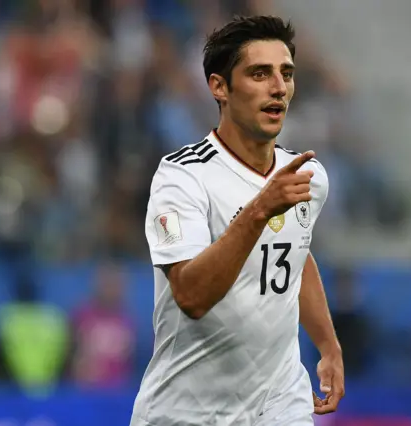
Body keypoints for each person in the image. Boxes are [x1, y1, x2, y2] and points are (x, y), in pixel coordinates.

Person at [130, 15, 344, 426]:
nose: (278, 87)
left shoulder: (308, 176)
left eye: (286, 73)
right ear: (219, 87)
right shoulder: (180, 179)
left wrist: (328, 344)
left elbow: (296, 255)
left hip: (280, 405)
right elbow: (191, 296)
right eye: (259, 73)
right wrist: (260, 210)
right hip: (187, 411)